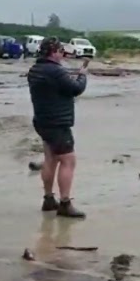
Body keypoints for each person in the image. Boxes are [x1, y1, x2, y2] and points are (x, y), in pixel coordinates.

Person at [27, 36, 87, 218]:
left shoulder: (35, 70)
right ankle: (65, 203)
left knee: (50, 160)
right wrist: (82, 75)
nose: (63, 54)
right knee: (68, 161)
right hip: (58, 123)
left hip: (42, 121)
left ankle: (48, 199)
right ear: (54, 52)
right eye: (61, 51)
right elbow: (76, 89)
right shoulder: (56, 71)